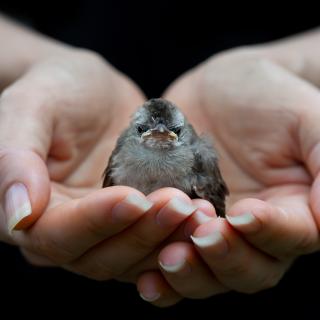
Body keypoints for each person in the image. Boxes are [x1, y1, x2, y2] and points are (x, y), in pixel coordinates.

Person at [0, 7, 320, 313]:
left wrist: (287, 64)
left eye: (174, 133)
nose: (159, 135)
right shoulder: (122, 155)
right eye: (143, 130)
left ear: (184, 134)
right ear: (133, 132)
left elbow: (216, 212)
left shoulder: (197, 160)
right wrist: (41, 62)